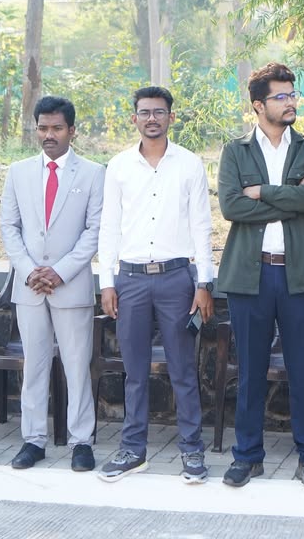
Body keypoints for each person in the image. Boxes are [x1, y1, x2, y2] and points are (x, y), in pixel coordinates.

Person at [216, 62, 304, 488]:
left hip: (299, 275)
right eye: (281, 96)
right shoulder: (236, 151)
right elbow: (231, 207)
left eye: (292, 95)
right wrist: (292, 197)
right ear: (258, 105)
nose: (290, 102)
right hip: (250, 276)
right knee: (250, 371)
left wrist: (263, 192)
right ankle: (247, 457)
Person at [96, 86, 214, 483]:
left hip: (176, 279)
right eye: (144, 112)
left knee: (183, 370)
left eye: (159, 112)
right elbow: (109, 226)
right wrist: (107, 282)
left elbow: (201, 225)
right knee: (134, 372)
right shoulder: (119, 166)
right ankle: (133, 450)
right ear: (134, 118)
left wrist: (203, 282)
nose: (152, 118)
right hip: (129, 280)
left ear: (170, 117)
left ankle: (192, 452)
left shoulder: (189, 164)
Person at [0, 96, 104, 472]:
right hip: (29, 288)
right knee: (34, 366)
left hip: (70, 286)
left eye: (57, 128)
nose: (49, 134)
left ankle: (81, 442)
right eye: (42, 128)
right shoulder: (18, 172)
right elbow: (9, 227)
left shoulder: (93, 173)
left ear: (71, 130)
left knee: (77, 366)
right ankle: (33, 440)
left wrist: (60, 271)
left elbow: (95, 230)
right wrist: (30, 270)